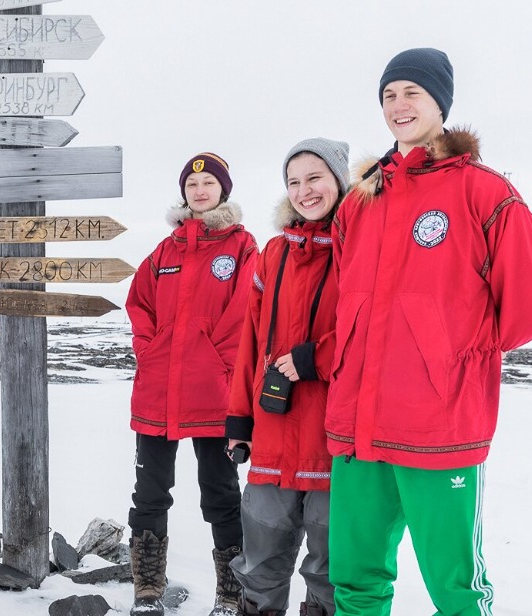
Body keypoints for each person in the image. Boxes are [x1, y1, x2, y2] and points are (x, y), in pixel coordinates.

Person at [327, 48, 532, 615]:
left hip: (439, 426)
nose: (398, 105)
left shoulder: (485, 192)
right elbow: (343, 302)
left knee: (456, 589)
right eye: (388, 95)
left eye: (412, 92)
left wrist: (449, 355)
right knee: (355, 581)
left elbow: (528, 308)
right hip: (357, 426)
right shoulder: (360, 201)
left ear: (440, 103)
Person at [124, 153, 258, 616]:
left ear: (223, 190)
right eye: (192, 184)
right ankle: (147, 589)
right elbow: (139, 305)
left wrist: (219, 365)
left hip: (215, 396)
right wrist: (149, 352)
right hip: (157, 393)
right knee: (150, 493)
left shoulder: (242, 248)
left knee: (221, 493)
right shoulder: (165, 251)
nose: (200, 191)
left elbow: (245, 314)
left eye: (208, 183)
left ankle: (231, 591)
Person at [225, 138, 351, 616]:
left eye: (315, 177)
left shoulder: (360, 247)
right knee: (259, 566)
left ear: (339, 180)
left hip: (334, 442)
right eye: (293, 181)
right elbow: (251, 343)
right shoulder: (273, 253)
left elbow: (375, 330)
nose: (304, 190)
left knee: (331, 571)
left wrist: (316, 358)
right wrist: (239, 420)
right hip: (273, 437)